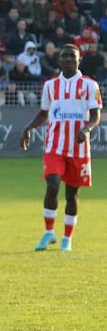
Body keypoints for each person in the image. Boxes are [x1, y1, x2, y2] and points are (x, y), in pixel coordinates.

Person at [20, 45, 101, 252]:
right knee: (52, 184)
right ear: (59, 61)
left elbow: (95, 115)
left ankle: (67, 238)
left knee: (72, 194)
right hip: (54, 145)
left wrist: (87, 129)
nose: (67, 60)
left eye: (71, 57)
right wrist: (28, 128)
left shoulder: (90, 85)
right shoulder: (50, 86)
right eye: (64, 57)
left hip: (79, 148)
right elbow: (43, 113)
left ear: (78, 60)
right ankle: (49, 233)